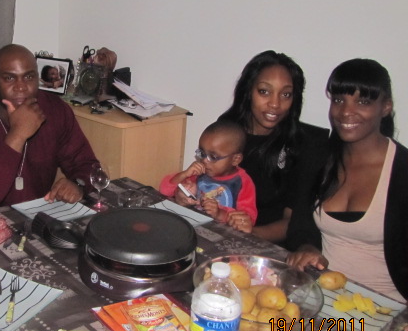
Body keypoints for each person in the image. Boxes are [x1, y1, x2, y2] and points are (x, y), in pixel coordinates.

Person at [175, 51, 329, 242]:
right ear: (248, 91)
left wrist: (250, 232)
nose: (275, 104)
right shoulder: (228, 131)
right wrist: (185, 196)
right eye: (264, 91)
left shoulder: (304, 144)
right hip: (214, 231)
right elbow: (206, 182)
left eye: (286, 94)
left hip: (263, 242)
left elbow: (294, 222)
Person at [286, 59, 407, 303]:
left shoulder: (403, 171)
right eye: (339, 100)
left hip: (382, 308)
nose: (346, 112)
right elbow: (301, 225)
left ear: (385, 107)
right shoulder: (319, 156)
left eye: (363, 102)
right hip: (321, 295)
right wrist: (308, 248)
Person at [0, 44, 98, 215]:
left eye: (29, 77)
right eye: (9, 78)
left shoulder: (55, 110)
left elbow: (87, 165)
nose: (21, 87)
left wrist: (77, 184)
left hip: (34, 210)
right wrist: (17, 135)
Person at [160, 120, 258, 227]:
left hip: (221, 234)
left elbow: (247, 221)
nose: (205, 160)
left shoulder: (242, 183)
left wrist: (220, 214)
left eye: (213, 157)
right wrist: (184, 175)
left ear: (235, 159)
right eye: (202, 153)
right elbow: (165, 190)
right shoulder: (200, 172)